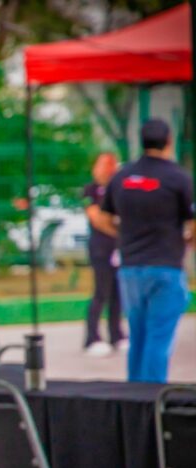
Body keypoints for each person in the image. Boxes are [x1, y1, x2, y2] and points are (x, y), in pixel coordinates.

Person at [101, 118, 194, 382]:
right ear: (169, 141)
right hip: (165, 266)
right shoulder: (178, 177)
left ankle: (134, 396)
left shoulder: (122, 177)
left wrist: (124, 234)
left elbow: (103, 217)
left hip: (130, 268)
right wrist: (188, 241)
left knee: (138, 336)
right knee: (159, 338)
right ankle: (152, 397)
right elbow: (193, 220)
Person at [82, 151, 125, 357]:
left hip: (119, 248)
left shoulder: (118, 189)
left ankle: (116, 334)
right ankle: (92, 337)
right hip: (100, 247)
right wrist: (118, 230)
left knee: (118, 293)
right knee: (101, 291)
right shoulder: (90, 190)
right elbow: (97, 218)